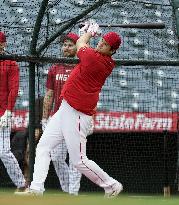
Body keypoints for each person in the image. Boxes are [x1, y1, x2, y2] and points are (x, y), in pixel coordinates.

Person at [25, 20, 123, 197]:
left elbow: (80, 43)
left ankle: (112, 185)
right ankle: (36, 189)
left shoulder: (97, 60)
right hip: (65, 109)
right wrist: (89, 33)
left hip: (77, 115)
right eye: (102, 41)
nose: (101, 44)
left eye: (106, 45)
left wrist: (89, 33)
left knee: (78, 161)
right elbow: (83, 45)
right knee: (43, 148)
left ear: (112, 51)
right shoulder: (97, 55)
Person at [41, 33, 81, 195]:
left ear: (77, 46)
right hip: (57, 118)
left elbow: (92, 92)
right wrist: (45, 117)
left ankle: (73, 193)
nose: (66, 47)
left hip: (77, 118)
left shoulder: (82, 66)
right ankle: (67, 188)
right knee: (56, 157)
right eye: (64, 45)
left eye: (70, 44)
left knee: (75, 160)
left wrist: (91, 117)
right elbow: (49, 94)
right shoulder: (55, 67)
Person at [0, 31, 27, 193]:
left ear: (3, 44)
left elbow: (13, 89)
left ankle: (22, 184)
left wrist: (8, 112)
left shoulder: (10, 63)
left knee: (4, 152)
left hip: (3, 114)